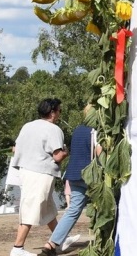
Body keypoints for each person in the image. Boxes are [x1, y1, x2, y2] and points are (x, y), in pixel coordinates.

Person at [39, 106, 100, 256]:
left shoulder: (78, 130)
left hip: (73, 174)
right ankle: (103, 241)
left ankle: (51, 244)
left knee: (73, 211)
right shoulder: (95, 131)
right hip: (90, 175)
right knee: (104, 208)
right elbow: (98, 152)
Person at [10, 98, 67, 256]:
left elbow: (16, 149)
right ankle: (17, 248)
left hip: (25, 170)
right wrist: (65, 152)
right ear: (52, 112)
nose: (59, 114)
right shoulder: (54, 129)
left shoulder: (27, 126)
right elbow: (57, 156)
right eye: (59, 111)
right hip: (41, 171)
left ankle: (60, 238)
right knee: (32, 207)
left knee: (47, 208)